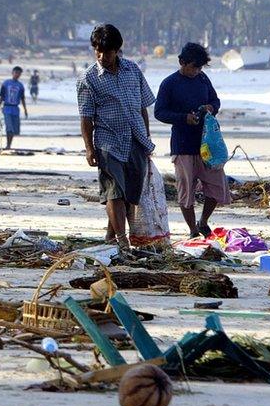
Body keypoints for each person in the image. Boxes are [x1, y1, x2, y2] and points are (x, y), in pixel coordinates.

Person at [77, 24, 155, 249]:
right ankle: (122, 240)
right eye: (97, 51)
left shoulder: (133, 71)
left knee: (131, 193)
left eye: (107, 51)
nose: (102, 56)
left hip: (136, 139)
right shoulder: (88, 79)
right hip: (108, 142)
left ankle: (110, 236)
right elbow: (86, 118)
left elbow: (142, 108)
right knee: (113, 190)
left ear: (117, 50)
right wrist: (89, 149)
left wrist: (147, 139)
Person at [155, 43, 231, 238]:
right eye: (193, 67)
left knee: (217, 185)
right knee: (186, 191)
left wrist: (210, 108)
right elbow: (159, 112)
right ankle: (192, 230)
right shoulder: (169, 83)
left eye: (200, 68)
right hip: (183, 145)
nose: (196, 71)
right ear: (182, 62)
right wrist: (183, 118)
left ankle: (203, 221)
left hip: (207, 144)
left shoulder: (203, 79)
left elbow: (216, 101)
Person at [0, 66, 28, 149]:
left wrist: (25, 110)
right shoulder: (6, 83)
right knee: (9, 127)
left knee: (15, 129)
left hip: (15, 109)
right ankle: (8, 145)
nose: (17, 74)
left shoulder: (20, 86)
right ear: (13, 73)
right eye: (16, 73)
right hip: (7, 108)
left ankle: (9, 144)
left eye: (19, 73)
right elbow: (2, 97)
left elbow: (22, 98)